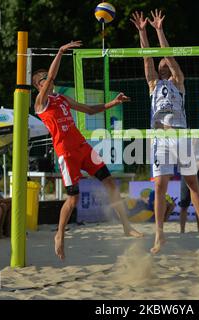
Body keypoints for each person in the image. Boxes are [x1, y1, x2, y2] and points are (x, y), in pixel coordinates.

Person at [32, 40, 143, 261]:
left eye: (48, 78)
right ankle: (60, 234)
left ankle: (126, 226)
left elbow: (90, 110)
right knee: (73, 199)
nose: (49, 81)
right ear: (39, 85)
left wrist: (113, 103)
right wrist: (61, 51)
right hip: (66, 154)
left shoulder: (61, 98)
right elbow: (51, 78)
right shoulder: (40, 103)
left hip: (83, 148)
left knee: (110, 182)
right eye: (44, 79)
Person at [131, 10, 199, 254]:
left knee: (192, 182)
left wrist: (159, 30)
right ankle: (159, 235)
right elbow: (147, 60)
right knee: (160, 187)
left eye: (165, 62)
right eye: (161, 62)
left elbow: (169, 56)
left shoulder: (178, 81)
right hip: (161, 138)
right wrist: (143, 33)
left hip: (180, 135)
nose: (163, 62)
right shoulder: (153, 84)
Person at [179, 147, 199, 233]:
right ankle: (182, 231)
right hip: (185, 179)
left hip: (198, 180)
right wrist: (196, 163)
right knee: (184, 206)